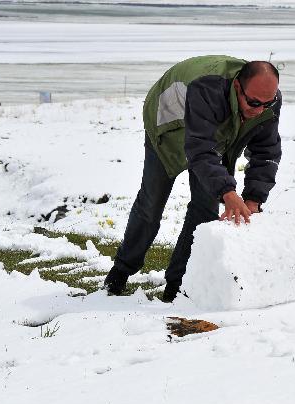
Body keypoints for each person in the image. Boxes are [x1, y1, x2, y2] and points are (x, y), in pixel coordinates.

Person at [102, 55, 282, 302]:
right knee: (151, 204)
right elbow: (199, 150)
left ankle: (176, 285)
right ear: (238, 86)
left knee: (205, 209)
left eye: (266, 103)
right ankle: (120, 272)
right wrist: (228, 192)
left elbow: (266, 152)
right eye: (253, 102)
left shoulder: (267, 102)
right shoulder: (207, 88)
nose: (259, 110)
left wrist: (253, 199)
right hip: (167, 128)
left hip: (214, 135)